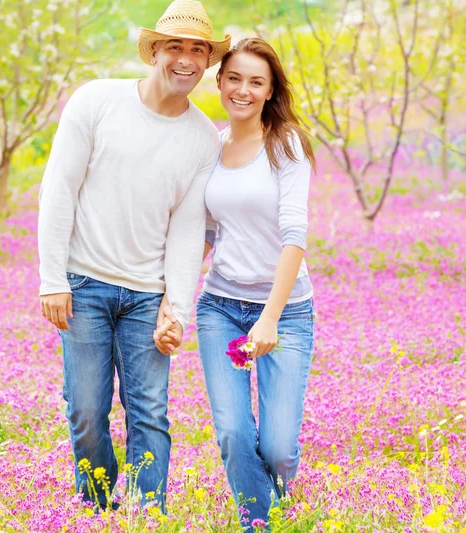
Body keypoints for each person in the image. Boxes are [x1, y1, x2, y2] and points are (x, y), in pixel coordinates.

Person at [37, 0, 230, 513]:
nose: (185, 59)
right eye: (175, 47)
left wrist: (177, 309)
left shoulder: (202, 139)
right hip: (83, 286)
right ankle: (98, 509)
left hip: (147, 296)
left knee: (149, 412)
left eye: (197, 49)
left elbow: (188, 231)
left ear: (209, 59)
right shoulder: (96, 101)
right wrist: (51, 278)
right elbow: (59, 190)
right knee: (86, 411)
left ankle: (148, 515)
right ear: (154, 52)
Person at [196, 38, 316, 530]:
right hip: (220, 305)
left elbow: (295, 236)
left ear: (270, 91)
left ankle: (278, 501)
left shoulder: (286, 143)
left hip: (284, 312)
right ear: (220, 82)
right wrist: (170, 296)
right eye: (234, 79)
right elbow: (203, 233)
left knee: (279, 447)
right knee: (232, 433)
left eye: (256, 82)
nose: (242, 90)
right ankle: (258, 524)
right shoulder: (210, 146)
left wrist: (268, 317)